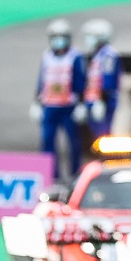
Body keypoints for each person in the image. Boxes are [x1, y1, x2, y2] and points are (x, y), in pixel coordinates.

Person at [29, 19, 86, 178]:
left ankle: (75, 174)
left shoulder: (75, 56)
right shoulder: (47, 55)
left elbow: (80, 80)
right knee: (47, 141)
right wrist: (36, 102)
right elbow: (42, 79)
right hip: (50, 105)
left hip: (68, 106)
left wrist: (81, 104)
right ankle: (51, 174)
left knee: (73, 143)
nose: (58, 40)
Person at [80, 18, 121, 138]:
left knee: (104, 135)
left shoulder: (109, 55)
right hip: (93, 99)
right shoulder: (96, 55)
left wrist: (101, 101)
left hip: (104, 101)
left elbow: (108, 80)